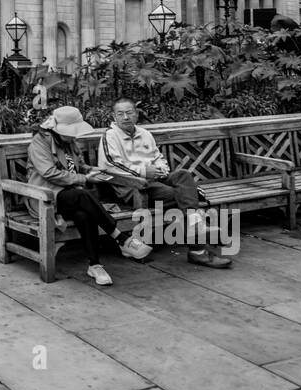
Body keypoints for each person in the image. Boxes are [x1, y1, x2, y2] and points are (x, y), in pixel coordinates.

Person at [98, 99, 230, 270]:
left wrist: (161, 170)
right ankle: (197, 249)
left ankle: (194, 222)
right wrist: (144, 171)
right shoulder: (109, 136)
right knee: (184, 196)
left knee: (183, 175)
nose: (125, 117)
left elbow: (158, 157)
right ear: (114, 116)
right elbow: (109, 165)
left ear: (136, 114)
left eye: (129, 112)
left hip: (156, 181)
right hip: (134, 187)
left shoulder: (145, 134)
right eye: (120, 113)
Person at [27, 105, 151, 288]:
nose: (74, 135)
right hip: (45, 196)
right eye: (71, 131)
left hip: (72, 196)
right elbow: (50, 173)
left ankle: (95, 265)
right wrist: (84, 178)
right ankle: (120, 237)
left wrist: (92, 170)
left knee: (84, 214)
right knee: (83, 196)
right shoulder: (40, 142)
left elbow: (79, 165)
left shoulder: (68, 141)